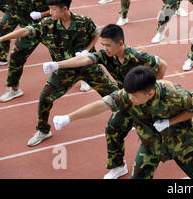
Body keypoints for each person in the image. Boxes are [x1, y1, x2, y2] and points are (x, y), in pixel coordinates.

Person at [0, 0, 119, 145]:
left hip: (88, 67)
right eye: (49, 9)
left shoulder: (84, 21)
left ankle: (130, 118)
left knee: (116, 95)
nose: (50, 12)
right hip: (63, 70)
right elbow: (26, 30)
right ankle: (43, 130)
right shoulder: (47, 24)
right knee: (45, 98)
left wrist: (88, 49)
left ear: (64, 9)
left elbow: (97, 32)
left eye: (53, 9)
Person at [41, 23, 167, 179]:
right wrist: (56, 65)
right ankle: (118, 166)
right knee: (113, 129)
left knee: (166, 129)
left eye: (108, 45)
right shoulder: (106, 55)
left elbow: (162, 65)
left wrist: (153, 90)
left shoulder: (136, 56)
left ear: (120, 43)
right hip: (127, 99)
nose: (104, 48)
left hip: (148, 100)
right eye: (103, 45)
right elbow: (85, 59)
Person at [52, 66, 193, 179]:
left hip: (182, 144)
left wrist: (170, 121)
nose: (130, 99)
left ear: (149, 93)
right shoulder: (128, 95)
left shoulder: (174, 94)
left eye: (134, 96)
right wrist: (69, 117)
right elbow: (101, 105)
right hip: (151, 144)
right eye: (129, 94)